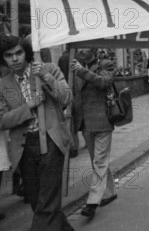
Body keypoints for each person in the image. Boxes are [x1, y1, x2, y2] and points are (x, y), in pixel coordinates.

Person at [0, 35, 74, 230]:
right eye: (9, 55)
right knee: (37, 202)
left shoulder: (48, 69)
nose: (15, 59)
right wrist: (29, 107)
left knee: (47, 204)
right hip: (24, 149)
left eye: (18, 53)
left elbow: (66, 98)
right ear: (3, 58)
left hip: (51, 142)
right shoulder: (3, 84)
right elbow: (2, 120)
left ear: (27, 53)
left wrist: (45, 77)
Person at [71, 48, 118, 220]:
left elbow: (104, 82)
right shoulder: (75, 67)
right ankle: (110, 192)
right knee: (98, 161)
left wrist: (81, 71)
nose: (82, 51)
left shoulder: (106, 64)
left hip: (102, 121)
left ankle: (92, 202)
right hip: (84, 123)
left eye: (86, 47)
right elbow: (75, 94)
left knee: (99, 160)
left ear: (93, 49)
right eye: (80, 48)